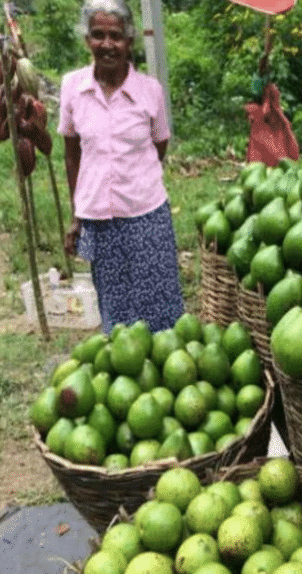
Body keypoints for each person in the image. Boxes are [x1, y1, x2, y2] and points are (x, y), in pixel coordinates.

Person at [58, 0, 184, 334]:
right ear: (87, 39)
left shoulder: (149, 91)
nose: (107, 44)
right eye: (97, 35)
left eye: (115, 36)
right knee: (116, 314)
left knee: (161, 308)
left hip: (147, 215)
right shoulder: (72, 87)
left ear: (129, 41)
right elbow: (72, 155)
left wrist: (133, 180)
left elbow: (159, 145)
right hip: (99, 218)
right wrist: (76, 216)